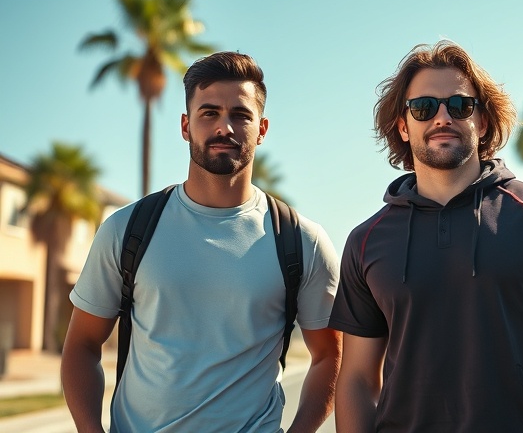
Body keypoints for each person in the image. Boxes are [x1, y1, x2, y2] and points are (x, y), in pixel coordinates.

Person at [328, 40, 523, 432]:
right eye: (423, 107)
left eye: (460, 105)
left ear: (481, 121)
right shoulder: (366, 240)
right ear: (403, 125)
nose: (442, 117)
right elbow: (358, 379)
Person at [61, 51, 342, 433]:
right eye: (208, 113)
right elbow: (81, 346)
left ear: (262, 128)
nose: (224, 127)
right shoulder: (127, 229)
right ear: (185, 125)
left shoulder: (300, 240)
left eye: (241, 115)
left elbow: (330, 357)